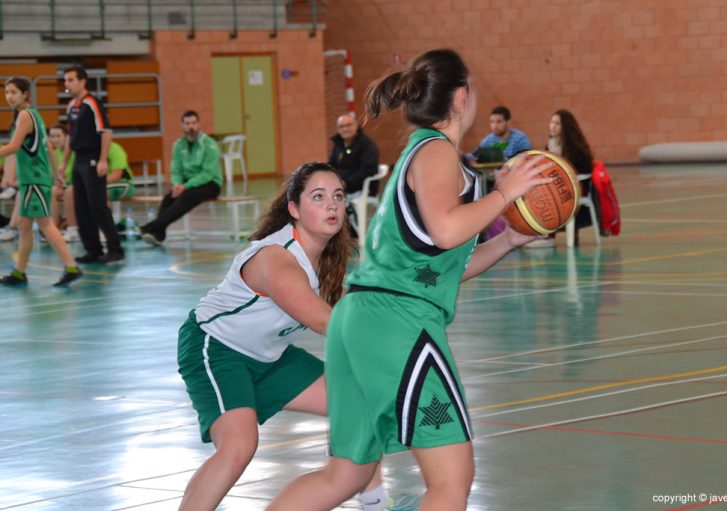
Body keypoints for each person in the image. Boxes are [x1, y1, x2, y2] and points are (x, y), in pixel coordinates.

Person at [268, 49, 552, 511]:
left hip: (360, 319)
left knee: (345, 475)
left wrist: (505, 242)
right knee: (451, 481)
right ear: (461, 96)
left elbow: (437, 266)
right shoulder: (436, 151)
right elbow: (445, 227)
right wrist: (504, 193)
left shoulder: (425, 154)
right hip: (395, 324)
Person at [176, 162, 389, 511]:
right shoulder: (277, 259)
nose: (333, 205)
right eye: (318, 197)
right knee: (239, 447)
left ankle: (377, 502)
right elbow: (325, 322)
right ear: (294, 208)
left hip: (270, 355)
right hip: (216, 348)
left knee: (360, 403)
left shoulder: (326, 257)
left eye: (337, 196)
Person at [0, 77, 83, 286]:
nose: (9, 96)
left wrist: (53, 175)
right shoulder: (33, 115)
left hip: (34, 180)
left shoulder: (25, 116)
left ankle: (71, 266)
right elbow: (47, 148)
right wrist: (57, 174)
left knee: (45, 224)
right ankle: (19, 273)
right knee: (24, 226)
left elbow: (14, 146)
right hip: (33, 179)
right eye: (7, 92)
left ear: (25, 94)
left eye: (13, 92)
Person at [59, 65, 125, 264]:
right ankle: (93, 249)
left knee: (97, 206)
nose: (67, 83)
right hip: (78, 161)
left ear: (82, 81)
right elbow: (70, 136)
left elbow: (106, 131)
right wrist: (63, 162)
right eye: (65, 80)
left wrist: (103, 159)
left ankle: (115, 248)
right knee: (81, 207)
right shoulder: (71, 106)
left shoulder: (93, 103)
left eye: (71, 79)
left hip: (93, 158)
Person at [140, 110, 222, 246]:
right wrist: (177, 185)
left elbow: (208, 174)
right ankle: (159, 233)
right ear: (182, 126)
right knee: (168, 198)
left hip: (210, 183)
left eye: (194, 123)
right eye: (187, 123)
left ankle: (151, 227)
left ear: (198, 124)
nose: (191, 126)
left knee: (186, 196)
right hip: (186, 184)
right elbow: (176, 170)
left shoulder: (209, 144)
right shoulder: (178, 145)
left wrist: (185, 186)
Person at [539, 108, 595, 247]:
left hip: (576, 187)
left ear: (566, 127)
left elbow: (585, 169)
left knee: (550, 194)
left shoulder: (576, 148)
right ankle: (539, 231)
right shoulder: (549, 145)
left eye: (557, 123)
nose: (552, 126)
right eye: (551, 122)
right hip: (556, 185)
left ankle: (549, 235)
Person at [328, 114, 380, 195]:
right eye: (341, 126)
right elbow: (331, 165)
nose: (345, 129)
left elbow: (368, 170)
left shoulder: (366, 145)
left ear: (356, 125)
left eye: (349, 125)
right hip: (340, 186)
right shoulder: (338, 145)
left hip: (360, 188)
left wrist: (346, 183)